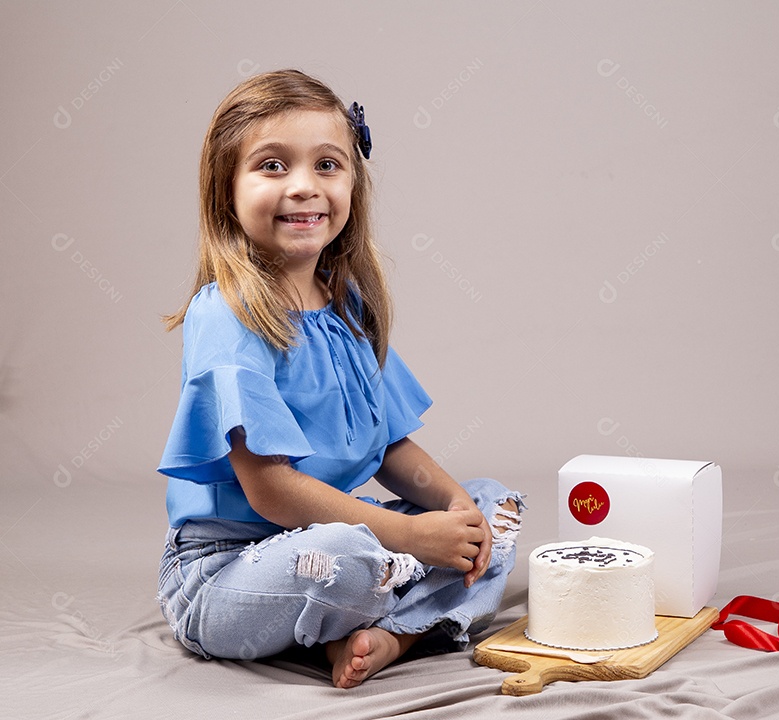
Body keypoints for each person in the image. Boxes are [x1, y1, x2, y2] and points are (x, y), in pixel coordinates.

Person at [155, 69, 523, 690]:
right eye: (273, 167)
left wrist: (455, 509)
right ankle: (407, 609)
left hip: (346, 533)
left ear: (353, 182)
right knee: (345, 557)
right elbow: (271, 491)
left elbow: (391, 446)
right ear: (227, 191)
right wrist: (410, 535)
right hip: (229, 571)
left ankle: (387, 636)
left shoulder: (347, 305)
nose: (304, 187)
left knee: (495, 507)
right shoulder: (225, 313)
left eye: (327, 165)